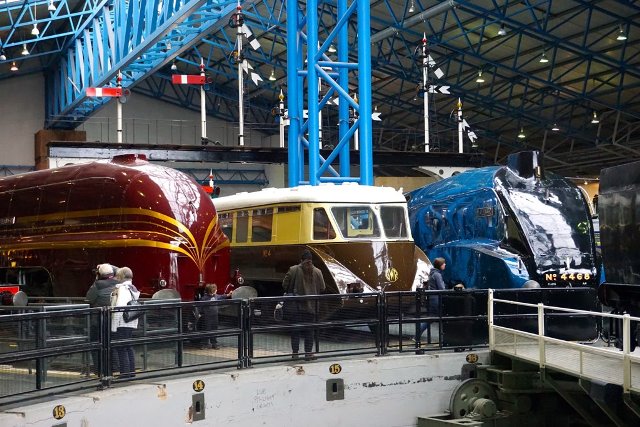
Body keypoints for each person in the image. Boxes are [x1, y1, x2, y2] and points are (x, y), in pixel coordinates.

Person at [282, 249, 326, 360]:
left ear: (301, 260)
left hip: (296, 307)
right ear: (311, 260)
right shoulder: (318, 272)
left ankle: (295, 353)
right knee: (309, 331)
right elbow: (323, 287)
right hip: (311, 307)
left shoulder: (293, 270)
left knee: (295, 331)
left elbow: (284, 285)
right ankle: (308, 353)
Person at [85, 263, 119, 374]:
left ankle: (99, 369)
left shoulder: (97, 284)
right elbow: (124, 271)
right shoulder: (119, 283)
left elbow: (89, 298)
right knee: (112, 343)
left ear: (99, 274)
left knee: (96, 344)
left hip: (98, 320)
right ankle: (114, 367)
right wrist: (110, 266)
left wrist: (96, 279)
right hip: (113, 319)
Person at [111, 267, 140, 378]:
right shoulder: (132, 288)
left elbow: (119, 307)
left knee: (122, 347)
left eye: (118, 276)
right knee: (128, 346)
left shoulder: (122, 289)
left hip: (122, 322)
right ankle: (131, 372)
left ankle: (125, 373)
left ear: (121, 277)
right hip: (131, 321)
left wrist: (114, 325)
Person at [417, 257, 447, 341]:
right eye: (443, 263)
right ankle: (444, 339)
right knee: (434, 318)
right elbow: (441, 288)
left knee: (432, 318)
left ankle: (417, 335)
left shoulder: (432, 273)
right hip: (436, 300)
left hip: (432, 299)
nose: (445, 265)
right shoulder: (437, 275)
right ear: (440, 265)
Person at [200, 283, 232, 350]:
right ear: (212, 291)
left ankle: (214, 343)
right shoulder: (204, 298)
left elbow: (222, 296)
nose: (216, 291)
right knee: (206, 330)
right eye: (215, 290)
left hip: (214, 316)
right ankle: (205, 344)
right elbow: (201, 307)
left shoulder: (216, 296)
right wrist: (201, 313)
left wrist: (228, 294)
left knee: (214, 329)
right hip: (207, 317)